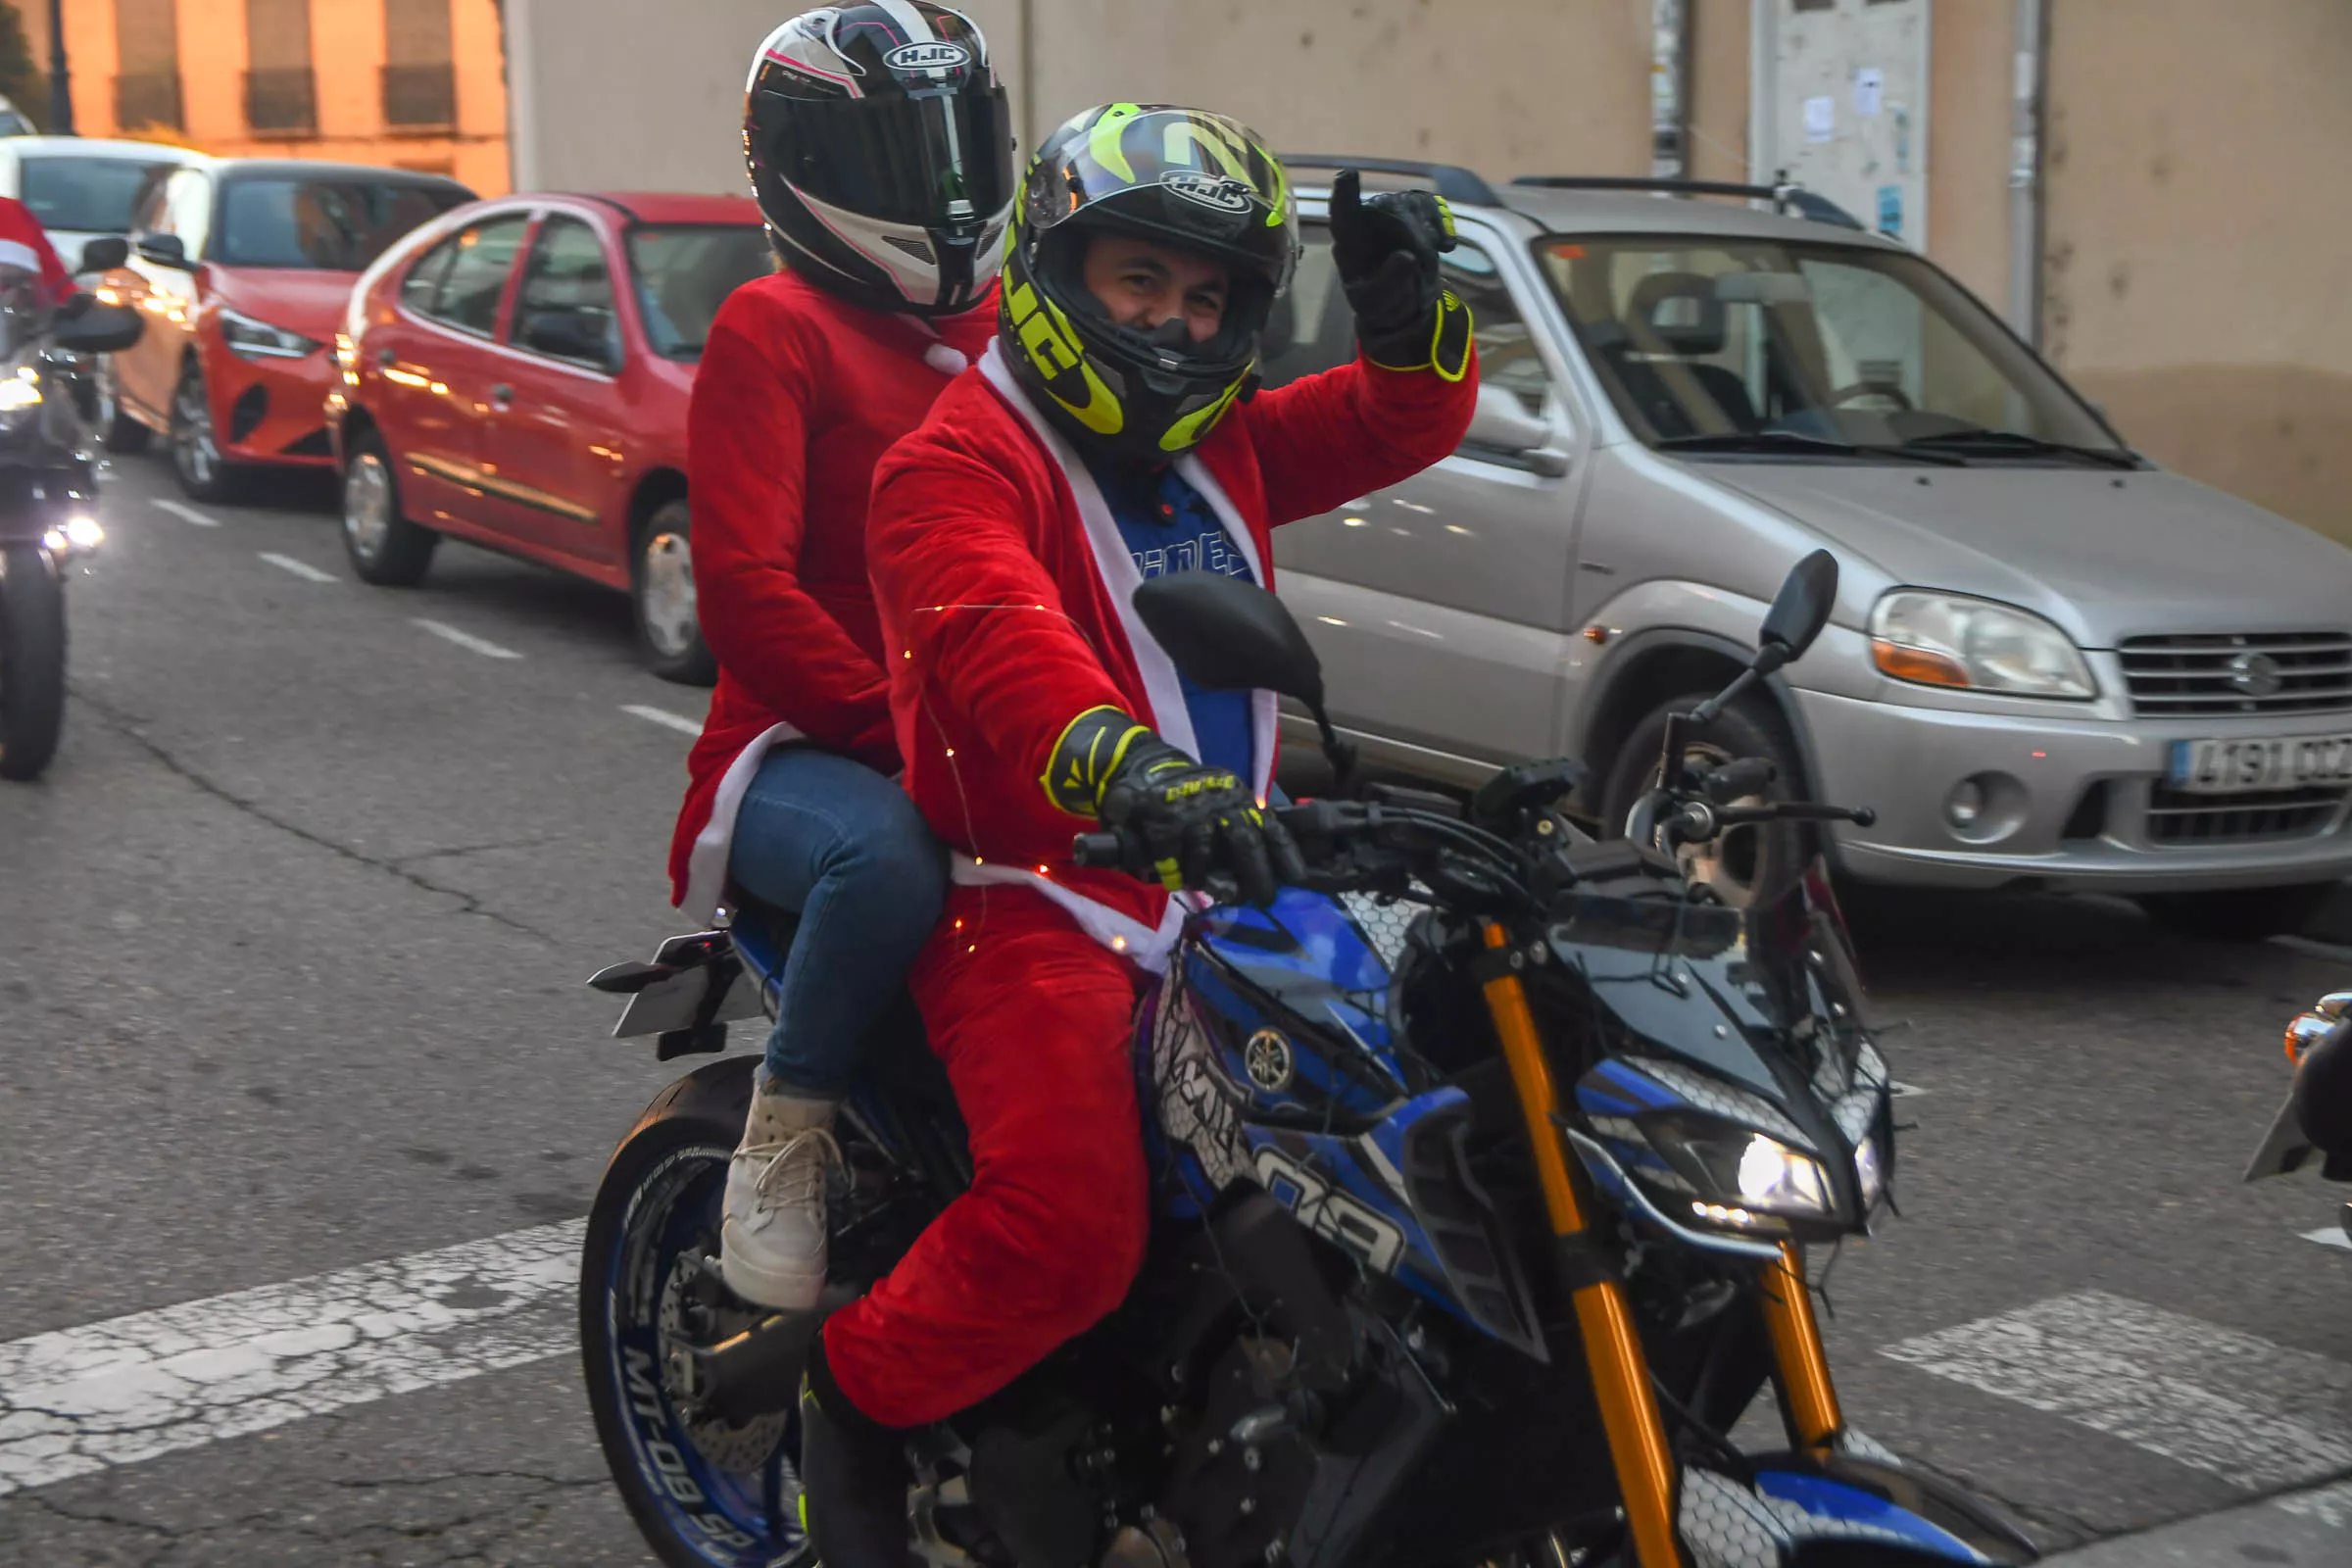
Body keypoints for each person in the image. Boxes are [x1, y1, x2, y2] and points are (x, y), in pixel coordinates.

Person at [800, 106, 1478, 1556]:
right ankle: (852, 1403)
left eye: (1205, 295)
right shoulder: (955, 460)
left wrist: (1414, 320)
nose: (1173, 321)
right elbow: (997, 639)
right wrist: (1126, 772)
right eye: (1138, 283)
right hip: (1034, 898)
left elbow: (1389, 417)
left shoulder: (1215, 447)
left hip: (1231, 879)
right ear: (1062, 270)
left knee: (1426, 1114)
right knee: (1072, 1222)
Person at [666, 2, 1014, 1313]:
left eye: (956, 144)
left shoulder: (1016, 331)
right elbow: (745, 594)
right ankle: (787, 1128)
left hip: (989, 731)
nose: (941, 188)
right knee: (886, 858)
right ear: (802, 169)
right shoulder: (776, 328)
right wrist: (901, 731)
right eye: (895, 157)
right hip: (804, 755)